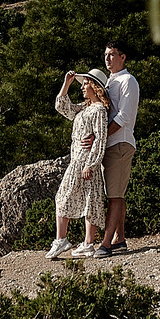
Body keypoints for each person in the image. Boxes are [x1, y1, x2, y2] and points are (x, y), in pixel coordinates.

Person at [48, 68, 110, 258]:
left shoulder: (99, 110)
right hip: (77, 159)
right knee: (64, 196)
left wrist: (91, 164)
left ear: (95, 86)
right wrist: (66, 83)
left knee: (90, 200)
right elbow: (62, 107)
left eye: (85, 83)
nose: (82, 87)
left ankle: (87, 243)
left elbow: (100, 138)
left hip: (85, 160)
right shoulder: (84, 108)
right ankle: (62, 240)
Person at [95, 42, 140, 254]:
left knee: (114, 195)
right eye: (106, 55)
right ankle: (119, 238)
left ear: (123, 57)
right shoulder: (110, 82)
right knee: (115, 193)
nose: (108, 58)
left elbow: (125, 116)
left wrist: (102, 136)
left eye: (112, 55)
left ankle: (106, 244)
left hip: (120, 142)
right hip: (111, 144)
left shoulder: (127, 81)